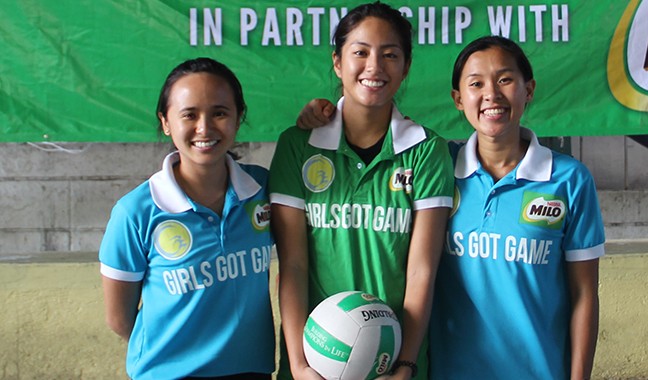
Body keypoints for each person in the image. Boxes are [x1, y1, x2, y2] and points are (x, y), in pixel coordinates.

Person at [298, 36, 604, 379]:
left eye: (505, 79)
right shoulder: (437, 166)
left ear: (528, 89)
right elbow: (378, 127)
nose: (492, 94)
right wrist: (326, 112)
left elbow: (584, 296)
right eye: (476, 84)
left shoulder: (568, 180)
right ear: (458, 99)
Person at [267, 2, 454, 379]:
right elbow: (294, 265)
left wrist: (406, 364)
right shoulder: (298, 146)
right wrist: (300, 366)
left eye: (390, 55)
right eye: (360, 52)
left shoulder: (427, 150)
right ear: (337, 62)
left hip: (394, 362)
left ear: (406, 67)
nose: (374, 67)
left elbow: (421, 271)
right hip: (315, 362)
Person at [99, 57, 275, 380]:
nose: (204, 128)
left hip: (252, 370)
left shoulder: (263, 189)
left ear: (239, 118)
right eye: (189, 115)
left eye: (220, 113)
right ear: (166, 122)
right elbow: (120, 319)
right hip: (168, 373)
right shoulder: (135, 213)